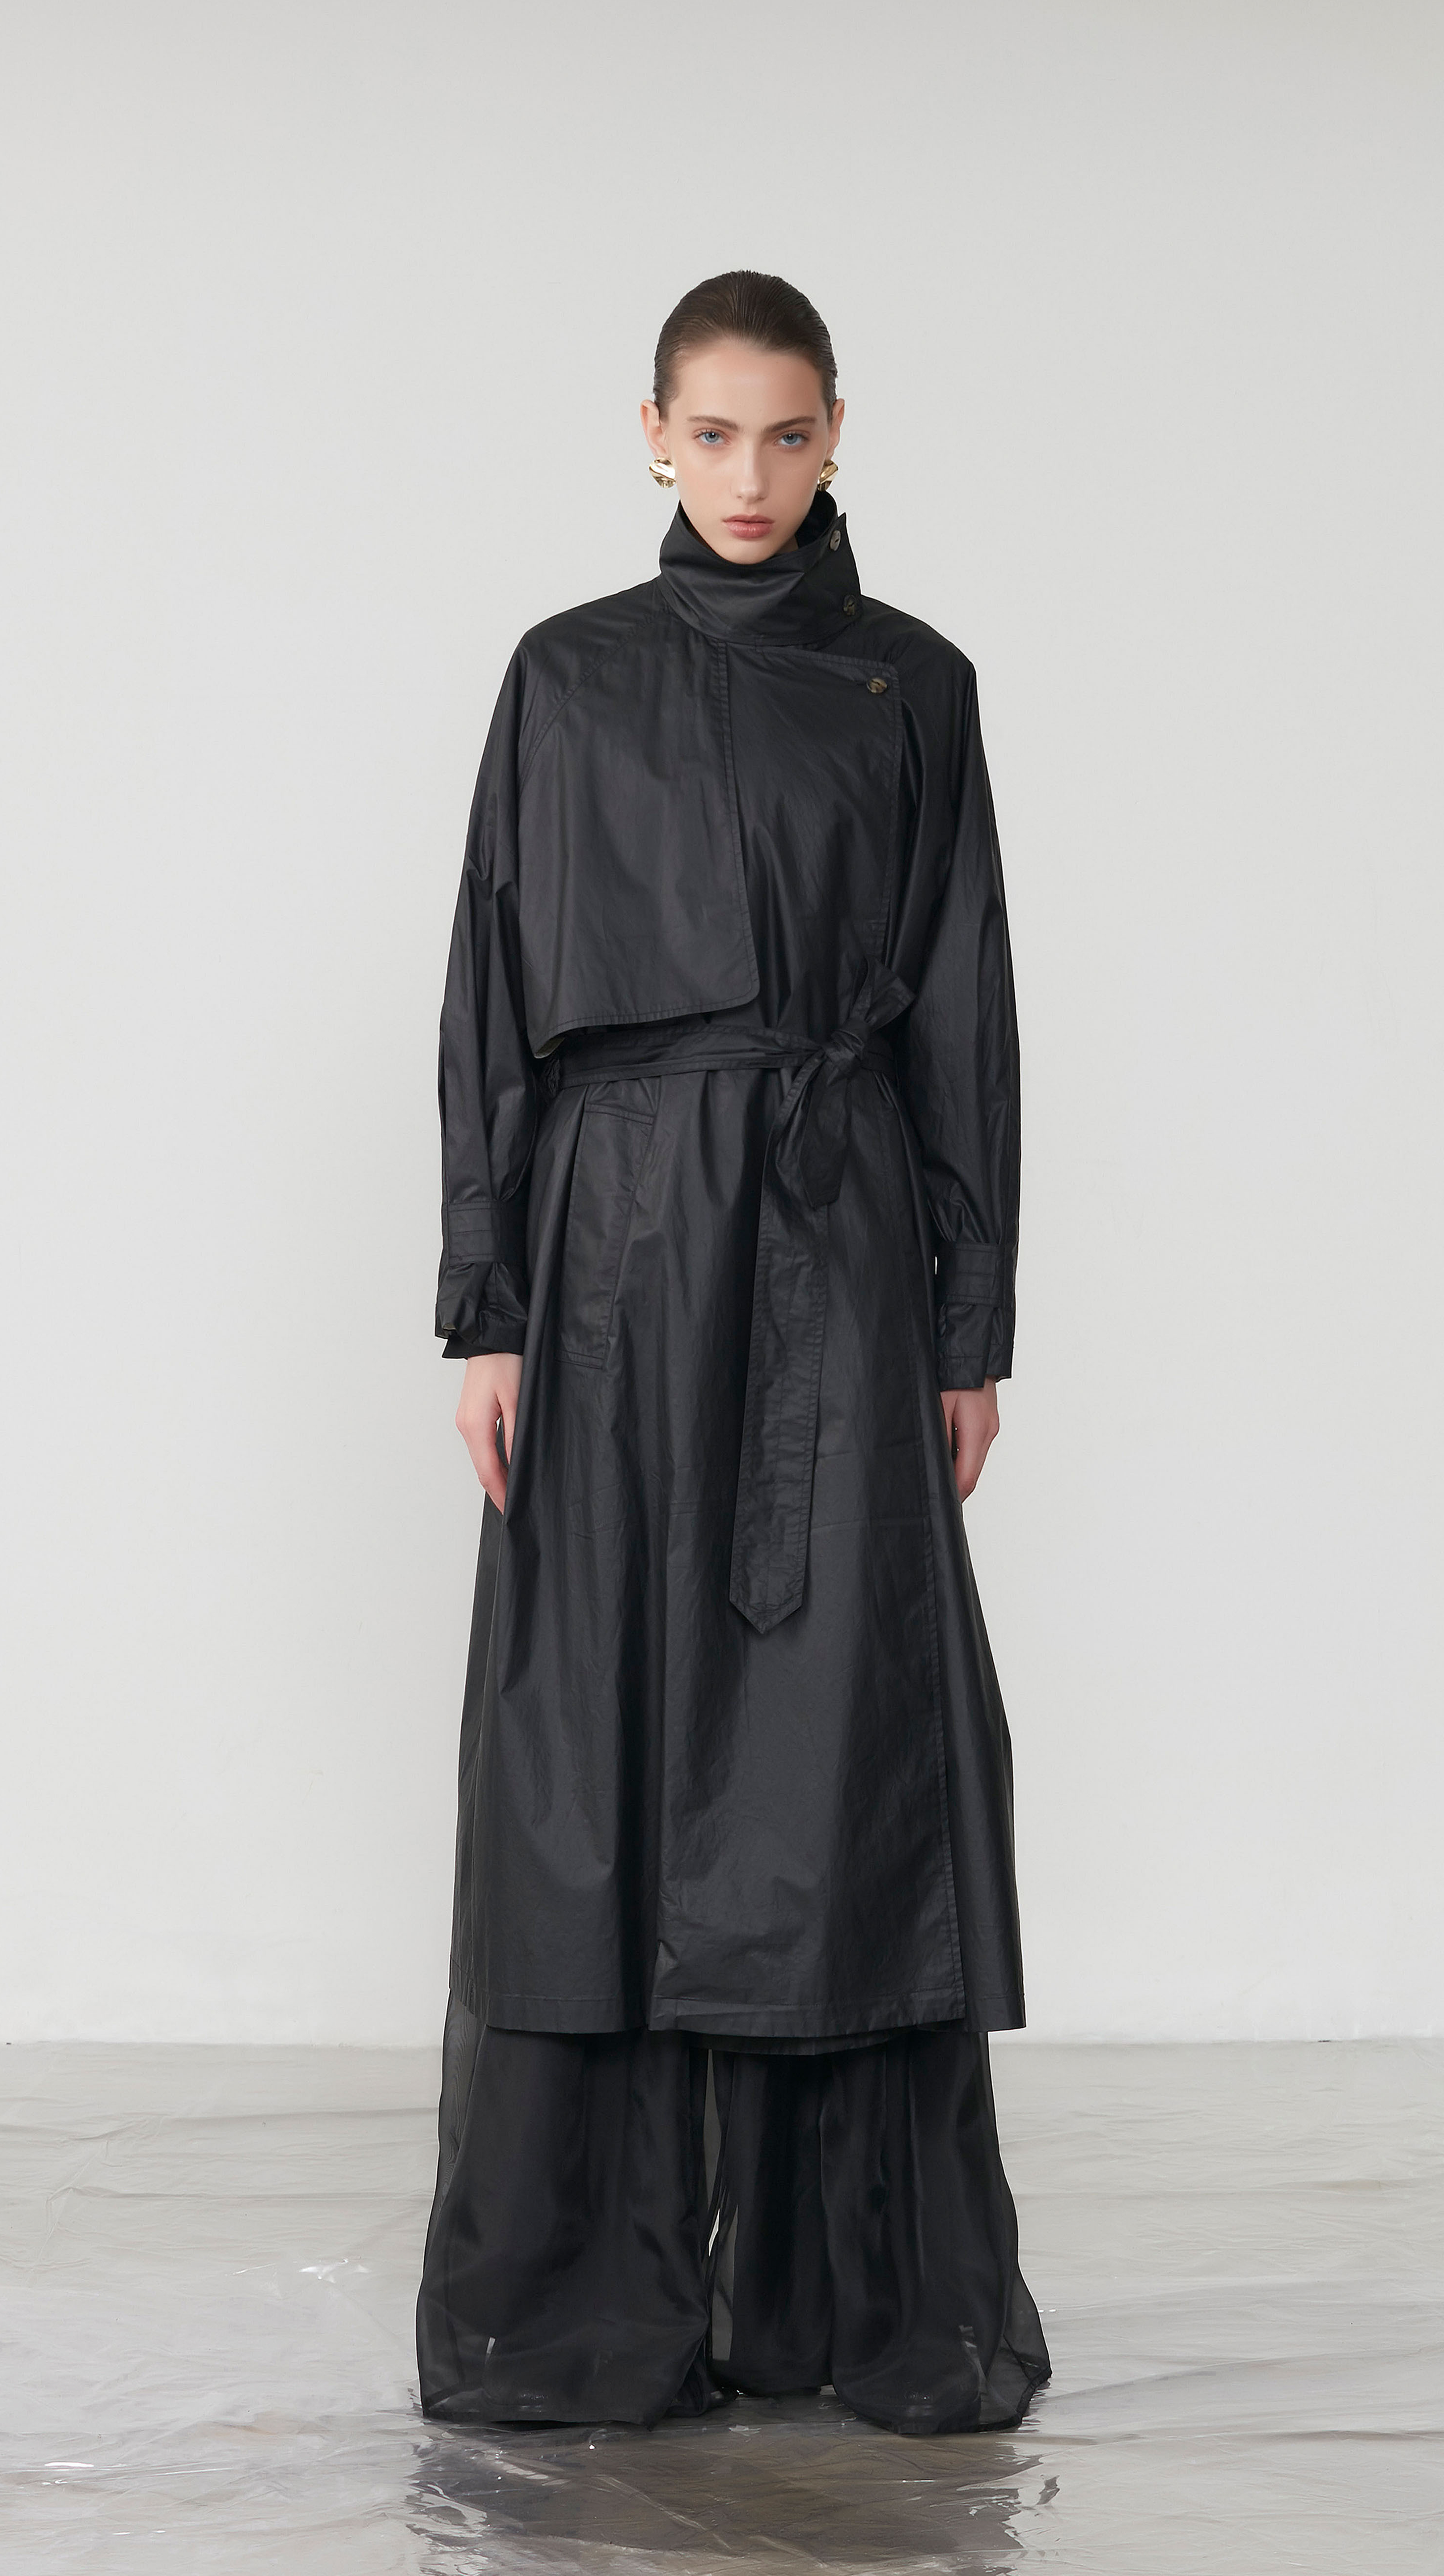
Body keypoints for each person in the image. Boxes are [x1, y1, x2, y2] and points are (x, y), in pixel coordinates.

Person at [415, 271, 1051, 2438]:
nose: (751, 476)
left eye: (788, 435)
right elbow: (492, 989)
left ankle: (846, 2288)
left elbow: (962, 1006)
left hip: (832, 1250)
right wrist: (486, 1300)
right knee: (598, 1735)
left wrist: (967, 1317)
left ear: (838, 432)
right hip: (606, 1262)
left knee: (835, 1732)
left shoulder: (915, 685)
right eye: (714, 434)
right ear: (653, 435)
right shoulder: (568, 674)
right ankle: (584, 2298)